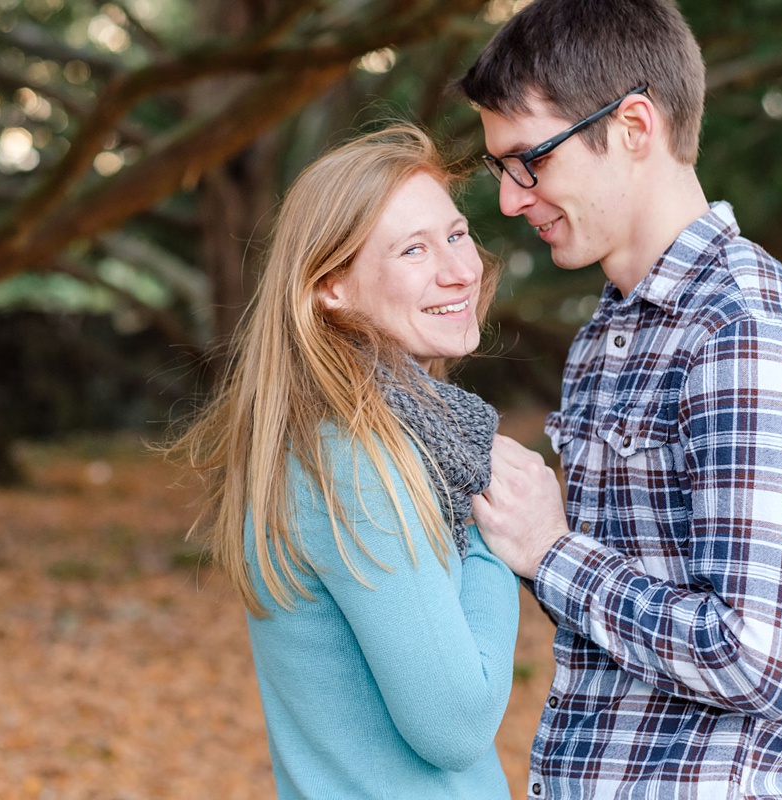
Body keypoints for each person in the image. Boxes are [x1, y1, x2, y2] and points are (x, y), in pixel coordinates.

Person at [457, 1, 782, 798]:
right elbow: (613, 640)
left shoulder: (745, 331)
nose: (510, 200)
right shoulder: (611, 333)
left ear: (634, 127)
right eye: (499, 168)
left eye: (529, 159)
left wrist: (551, 551)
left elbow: (755, 660)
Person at [168, 124, 519, 799]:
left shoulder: (362, 438)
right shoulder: (354, 460)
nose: (459, 269)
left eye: (455, 234)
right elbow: (455, 724)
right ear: (332, 287)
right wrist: (495, 532)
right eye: (413, 249)